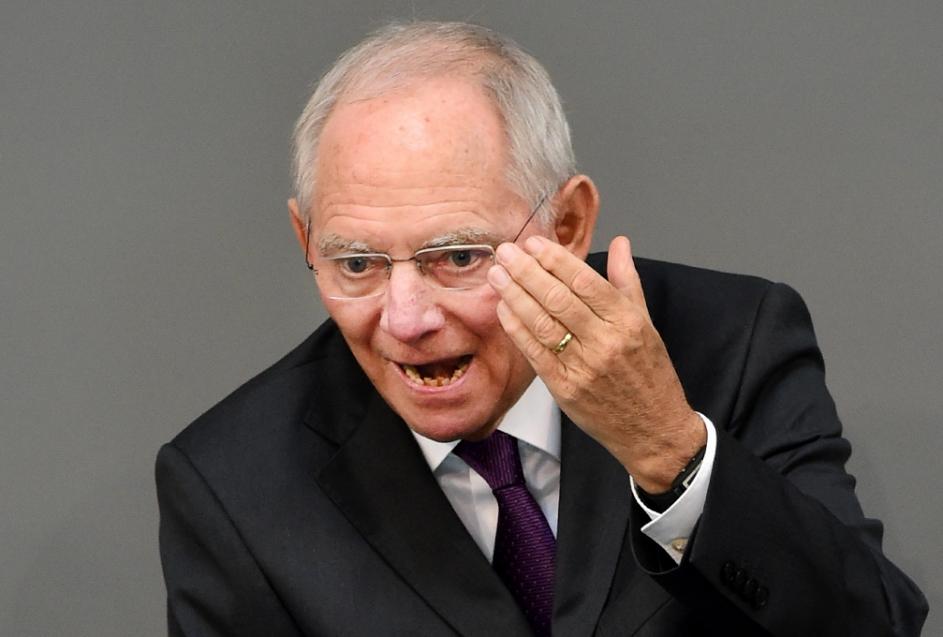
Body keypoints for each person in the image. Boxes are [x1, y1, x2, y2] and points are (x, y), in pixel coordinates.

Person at [156, 21, 928, 636]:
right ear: (305, 243)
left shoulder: (733, 342)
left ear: (565, 225)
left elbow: (874, 623)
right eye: (354, 262)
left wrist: (669, 450)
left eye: (456, 255)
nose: (406, 319)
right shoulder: (231, 485)